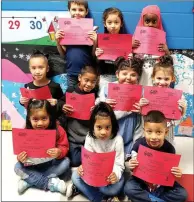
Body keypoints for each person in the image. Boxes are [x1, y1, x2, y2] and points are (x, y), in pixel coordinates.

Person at [124, 110, 188, 202]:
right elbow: (132, 164)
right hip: (142, 181)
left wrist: (176, 172)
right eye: (149, 131)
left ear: (165, 132)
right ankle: (156, 199)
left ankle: (148, 198)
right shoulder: (138, 144)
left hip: (161, 185)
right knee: (129, 188)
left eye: (158, 132)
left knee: (182, 194)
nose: (153, 137)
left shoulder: (170, 149)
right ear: (144, 131)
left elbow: (170, 173)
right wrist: (131, 165)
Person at [71, 102, 125, 202]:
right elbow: (87, 160)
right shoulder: (89, 137)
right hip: (95, 174)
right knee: (75, 176)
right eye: (99, 127)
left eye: (107, 127)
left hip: (109, 175)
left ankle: (87, 191)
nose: (103, 132)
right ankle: (101, 199)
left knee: (112, 189)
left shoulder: (118, 140)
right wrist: (83, 169)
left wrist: (115, 175)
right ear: (93, 126)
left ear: (113, 126)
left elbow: (119, 164)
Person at [14, 99, 70, 195]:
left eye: (44, 118)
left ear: (50, 118)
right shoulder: (25, 131)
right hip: (31, 164)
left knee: (66, 162)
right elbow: (20, 152)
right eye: (35, 119)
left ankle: (29, 181)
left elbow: (64, 147)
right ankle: (50, 183)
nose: (40, 123)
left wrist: (59, 152)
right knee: (17, 167)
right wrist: (20, 158)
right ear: (29, 119)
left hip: (50, 163)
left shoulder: (58, 129)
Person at [97, 57, 144, 159]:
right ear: (117, 74)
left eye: (133, 75)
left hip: (130, 125)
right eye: (124, 73)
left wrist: (142, 110)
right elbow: (98, 106)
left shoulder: (141, 91)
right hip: (113, 125)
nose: (128, 77)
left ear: (138, 77)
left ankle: (127, 154)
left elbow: (145, 115)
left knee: (128, 149)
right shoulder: (107, 88)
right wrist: (104, 103)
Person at [57, 65, 99, 167]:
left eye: (93, 82)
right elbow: (60, 102)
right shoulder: (71, 90)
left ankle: (89, 157)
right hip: (73, 136)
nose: (89, 84)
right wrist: (63, 106)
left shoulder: (95, 94)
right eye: (86, 80)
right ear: (80, 78)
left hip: (88, 136)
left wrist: (96, 109)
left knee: (95, 157)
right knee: (74, 161)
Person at [140, 55, 187, 144]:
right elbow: (142, 116)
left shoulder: (178, 97)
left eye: (166, 79)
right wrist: (140, 106)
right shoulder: (147, 94)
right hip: (150, 132)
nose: (162, 82)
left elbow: (178, 121)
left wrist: (183, 110)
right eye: (159, 78)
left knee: (166, 152)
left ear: (172, 79)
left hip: (167, 133)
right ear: (153, 77)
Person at [55, 0, 97, 88]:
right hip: (71, 72)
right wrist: (58, 42)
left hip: (87, 74)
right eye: (74, 9)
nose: (77, 13)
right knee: (71, 98)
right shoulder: (64, 29)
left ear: (86, 11)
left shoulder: (91, 29)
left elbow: (94, 56)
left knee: (87, 98)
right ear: (69, 10)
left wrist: (95, 41)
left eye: (81, 10)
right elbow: (63, 55)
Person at [132, 5, 170, 86]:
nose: (150, 24)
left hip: (156, 71)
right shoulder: (136, 36)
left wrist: (166, 50)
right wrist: (131, 46)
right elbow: (128, 55)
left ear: (158, 21)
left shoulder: (161, 37)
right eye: (147, 21)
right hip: (140, 69)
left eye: (154, 21)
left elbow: (168, 59)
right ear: (143, 21)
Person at [95, 7, 129, 86]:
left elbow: (128, 64)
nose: (113, 26)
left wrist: (130, 58)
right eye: (109, 22)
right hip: (105, 77)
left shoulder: (126, 41)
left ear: (121, 24)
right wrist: (97, 56)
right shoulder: (100, 40)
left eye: (116, 22)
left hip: (121, 77)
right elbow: (97, 63)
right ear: (104, 24)